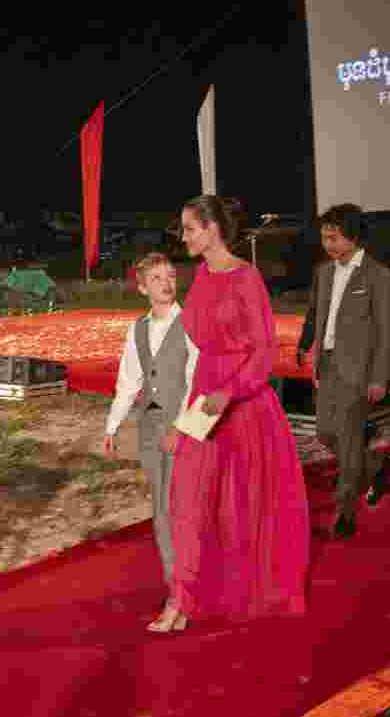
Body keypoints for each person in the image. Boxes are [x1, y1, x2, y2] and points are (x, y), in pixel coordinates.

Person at [161, 195, 310, 631]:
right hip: (204, 403)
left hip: (244, 408)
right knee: (190, 500)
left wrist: (230, 393)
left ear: (212, 229)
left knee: (240, 507)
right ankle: (186, 596)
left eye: (189, 228)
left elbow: (265, 351)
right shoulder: (201, 277)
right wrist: (184, 418)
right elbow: (199, 359)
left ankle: (227, 594)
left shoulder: (247, 278)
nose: (184, 236)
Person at [104, 252, 199, 630]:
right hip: (150, 428)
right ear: (142, 287)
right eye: (157, 278)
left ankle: (183, 597)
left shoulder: (191, 323)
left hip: (184, 429)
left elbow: (198, 380)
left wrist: (184, 426)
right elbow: (129, 381)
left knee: (183, 512)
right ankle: (177, 593)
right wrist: (112, 426)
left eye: (171, 275)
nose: (166, 282)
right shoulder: (138, 329)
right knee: (161, 512)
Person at [304, 204, 390, 538]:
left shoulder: (376, 275)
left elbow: (385, 331)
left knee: (349, 437)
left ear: (353, 237)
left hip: (358, 372)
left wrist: (378, 377)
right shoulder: (324, 273)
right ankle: (375, 465)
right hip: (327, 366)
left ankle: (345, 513)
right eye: (324, 237)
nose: (327, 243)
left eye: (334, 237)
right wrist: (315, 360)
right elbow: (321, 317)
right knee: (326, 434)